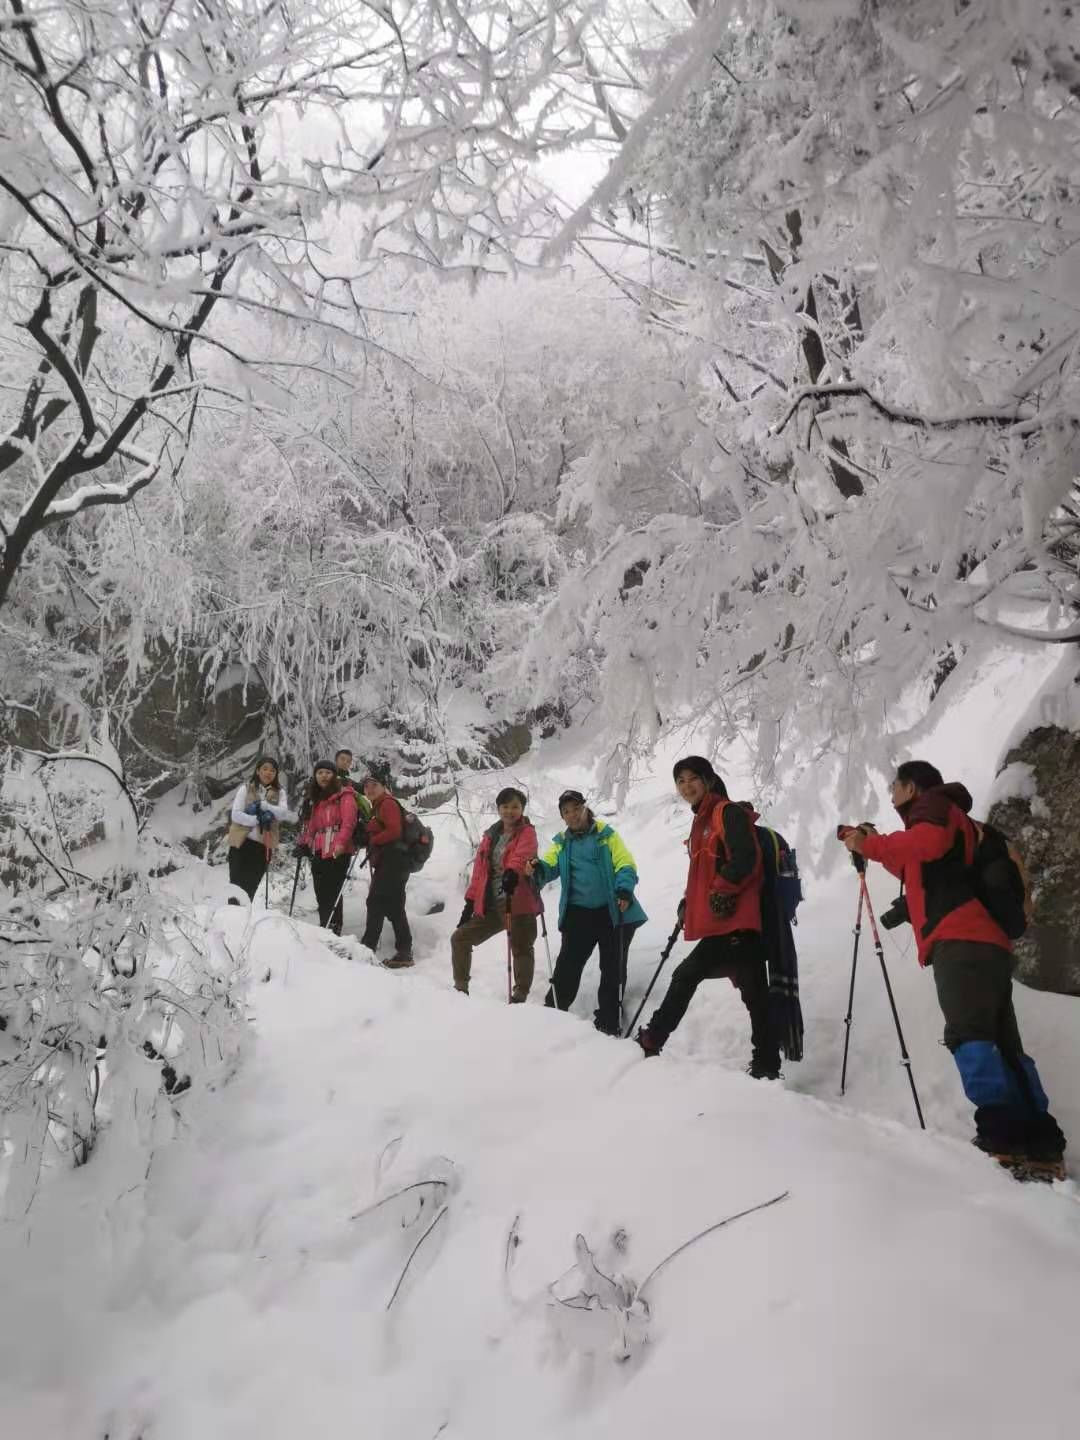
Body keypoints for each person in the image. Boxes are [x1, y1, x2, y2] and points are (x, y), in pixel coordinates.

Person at [843, 760, 1066, 1179]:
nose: (891, 796)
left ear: (911, 788)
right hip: (988, 943)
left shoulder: (932, 806)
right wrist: (873, 845)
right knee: (1002, 1041)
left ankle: (1000, 1137)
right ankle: (1041, 1143)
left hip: (961, 941)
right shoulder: (957, 821)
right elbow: (918, 863)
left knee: (969, 1035)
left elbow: (919, 847)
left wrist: (866, 845)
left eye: (895, 788)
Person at [635, 757, 779, 1079]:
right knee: (756, 996)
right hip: (730, 923)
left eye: (693, 779)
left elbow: (746, 858)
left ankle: (653, 1037)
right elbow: (705, 871)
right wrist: (691, 901)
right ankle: (768, 1066)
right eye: (681, 781)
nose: (686, 786)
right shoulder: (703, 820)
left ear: (709, 780)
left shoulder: (726, 813)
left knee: (686, 975)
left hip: (735, 923)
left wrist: (721, 890)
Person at [525, 789, 646, 1035]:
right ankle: (553, 1011)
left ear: (584, 807)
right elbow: (548, 866)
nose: (572, 815)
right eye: (566, 812)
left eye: (575, 809)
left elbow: (625, 863)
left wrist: (624, 890)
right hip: (579, 914)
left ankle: (609, 1021)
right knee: (568, 965)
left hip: (612, 910)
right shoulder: (561, 842)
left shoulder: (606, 835)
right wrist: (537, 869)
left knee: (612, 967)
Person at [451, 788, 542, 1001]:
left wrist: (512, 872)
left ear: (522, 809)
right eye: (505, 806)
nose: (510, 811)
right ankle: (460, 990)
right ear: (498, 808)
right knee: (460, 938)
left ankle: (520, 994)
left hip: (517, 900)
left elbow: (522, 856)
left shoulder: (527, 832)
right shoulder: (490, 835)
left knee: (521, 948)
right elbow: (479, 872)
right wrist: (470, 902)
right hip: (490, 904)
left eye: (515, 807)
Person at [295, 760, 358, 934]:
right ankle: (325, 925)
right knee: (320, 890)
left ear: (334, 775)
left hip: (339, 850)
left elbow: (348, 822)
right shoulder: (316, 798)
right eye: (320, 773)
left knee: (332, 890)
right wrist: (303, 844)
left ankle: (333, 927)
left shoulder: (344, 795)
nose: (324, 776)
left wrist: (340, 843)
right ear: (315, 776)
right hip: (319, 850)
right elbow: (311, 827)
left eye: (328, 773)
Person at [361, 774, 413, 967]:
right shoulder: (378, 806)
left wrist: (373, 840)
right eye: (366, 787)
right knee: (394, 907)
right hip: (393, 862)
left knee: (375, 902)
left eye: (374, 785)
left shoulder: (387, 804)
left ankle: (367, 948)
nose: (370, 789)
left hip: (393, 862)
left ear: (384, 787)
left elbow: (394, 831)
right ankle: (405, 951)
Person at [226, 756, 291, 901]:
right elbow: (235, 815)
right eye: (265, 769)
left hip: (262, 846)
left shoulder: (280, 792)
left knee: (251, 887)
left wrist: (266, 807)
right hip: (241, 843)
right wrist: (255, 820)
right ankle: (230, 918)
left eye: (272, 770)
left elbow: (283, 813)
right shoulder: (246, 788)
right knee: (236, 886)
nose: (268, 773)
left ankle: (244, 920)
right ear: (257, 771)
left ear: (276, 774)